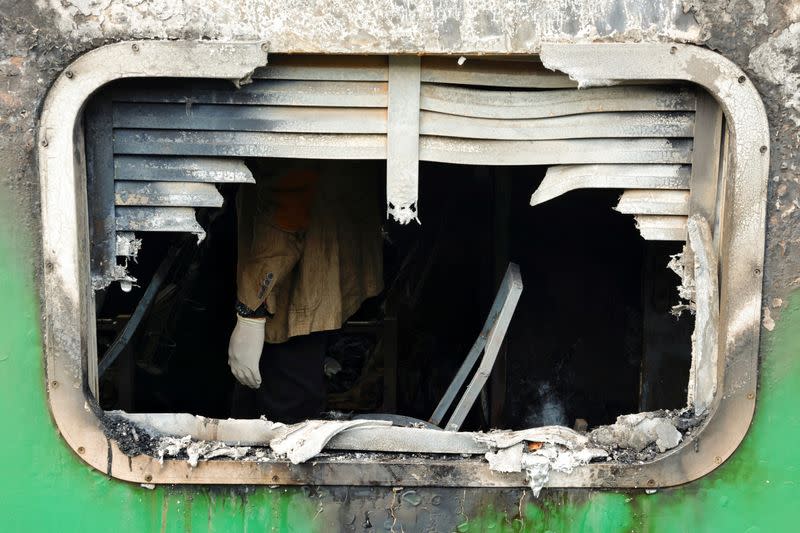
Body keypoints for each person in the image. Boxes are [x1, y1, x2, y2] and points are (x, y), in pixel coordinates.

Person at [228, 159, 383, 423]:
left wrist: (250, 311)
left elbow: (288, 202)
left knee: (286, 417)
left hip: (292, 288)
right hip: (315, 267)